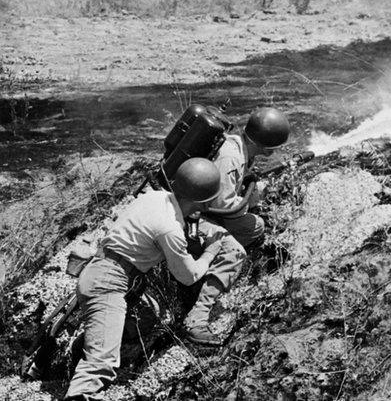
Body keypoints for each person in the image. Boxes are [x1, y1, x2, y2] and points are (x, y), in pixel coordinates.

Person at [64, 158, 226, 401]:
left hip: (103, 272)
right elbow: (188, 276)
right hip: (109, 283)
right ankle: (80, 393)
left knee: (149, 313)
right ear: (200, 202)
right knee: (101, 364)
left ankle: (85, 346)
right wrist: (211, 251)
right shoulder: (170, 229)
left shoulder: (154, 197)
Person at [183, 107, 290, 346]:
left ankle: (209, 260)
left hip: (200, 209)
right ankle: (196, 319)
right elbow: (223, 204)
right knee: (235, 252)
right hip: (192, 215)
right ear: (267, 146)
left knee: (256, 227)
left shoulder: (239, 149)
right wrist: (248, 201)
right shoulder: (232, 156)